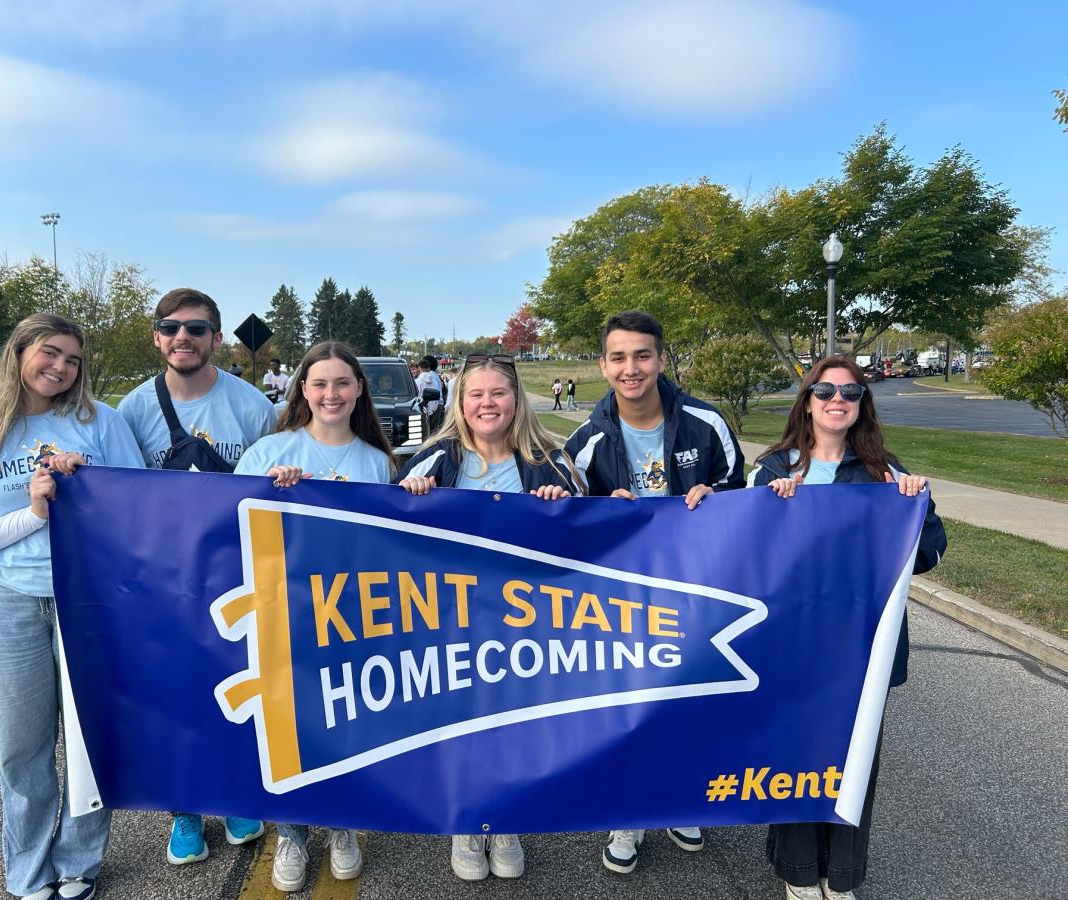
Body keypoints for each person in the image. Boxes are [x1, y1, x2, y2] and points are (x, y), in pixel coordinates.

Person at [0, 314, 145, 900]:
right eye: (50, 353)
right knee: (21, 745)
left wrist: (90, 487)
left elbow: (138, 509)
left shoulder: (100, 422)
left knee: (86, 737)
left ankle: (80, 860)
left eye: (73, 360)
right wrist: (35, 512)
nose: (61, 368)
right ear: (19, 352)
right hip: (9, 599)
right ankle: (28, 871)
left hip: (90, 599)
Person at [749, 355, 946, 900]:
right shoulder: (773, 470)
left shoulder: (885, 472)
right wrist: (768, 510)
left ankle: (843, 876)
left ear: (863, 405)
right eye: (825, 391)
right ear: (807, 401)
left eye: (851, 393)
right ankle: (796, 870)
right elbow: (746, 558)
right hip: (792, 646)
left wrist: (917, 506)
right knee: (795, 752)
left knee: (855, 758)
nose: (838, 400)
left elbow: (927, 554)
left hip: (863, 650)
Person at [563, 309, 745, 872]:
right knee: (629, 707)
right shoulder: (586, 441)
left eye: (642, 355)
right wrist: (599, 513)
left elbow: (747, 502)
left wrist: (718, 500)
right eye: (618, 357)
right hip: (622, 602)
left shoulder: (706, 423)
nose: (631, 367)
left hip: (697, 590)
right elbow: (564, 527)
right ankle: (629, 811)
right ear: (602, 365)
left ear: (662, 359)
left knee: (688, 699)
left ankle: (679, 798)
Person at [396, 353, 580, 882]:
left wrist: (562, 506)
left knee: (514, 727)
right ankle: (466, 822)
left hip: (528, 623)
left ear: (516, 399)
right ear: (459, 401)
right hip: (450, 621)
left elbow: (592, 540)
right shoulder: (433, 460)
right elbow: (385, 536)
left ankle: (506, 822)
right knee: (461, 726)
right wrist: (408, 500)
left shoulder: (550, 460)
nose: (487, 404)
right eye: (475, 394)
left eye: (497, 393)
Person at [116, 288, 276, 865]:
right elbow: (116, 498)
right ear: (156, 337)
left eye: (196, 328)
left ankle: (235, 793)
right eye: (170, 327)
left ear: (216, 337)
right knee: (174, 691)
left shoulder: (253, 406)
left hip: (234, 571)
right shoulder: (131, 411)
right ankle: (183, 808)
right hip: (161, 576)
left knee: (237, 690)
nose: (183, 337)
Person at [234, 341, 395, 891]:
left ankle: (344, 823)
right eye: (320, 383)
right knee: (290, 725)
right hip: (286, 612)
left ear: (358, 391)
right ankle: (292, 832)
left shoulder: (377, 462)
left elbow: (395, 546)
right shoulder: (269, 451)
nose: (331, 393)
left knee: (349, 721)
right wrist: (266, 491)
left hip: (355, 616)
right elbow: (223, 527)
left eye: (342, 384)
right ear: (303, 388)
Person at [415, 355, 444, 432]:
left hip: (429, 407)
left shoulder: (422, 379)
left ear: (419, 367)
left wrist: (430, 410)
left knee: (428, 431)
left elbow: (421, 394)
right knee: (434, 431)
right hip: (436, 405)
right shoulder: (434, 376)